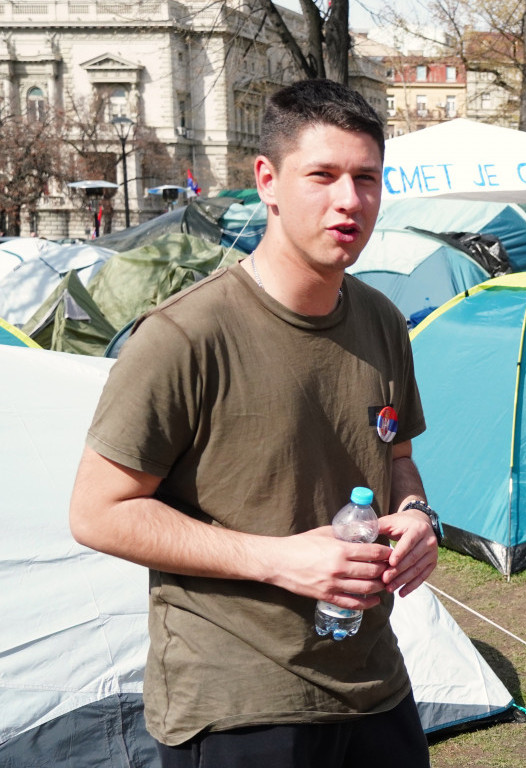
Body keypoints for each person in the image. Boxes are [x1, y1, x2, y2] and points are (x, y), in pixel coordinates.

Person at [68, 79, 439, 767]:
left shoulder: (383, 320)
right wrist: (279, 560)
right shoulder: (185, 335)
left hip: (374, 686)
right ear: (267, 181)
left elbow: (395, 459)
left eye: (366, 179)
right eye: (322, 176)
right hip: (238, 704)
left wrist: (418, 516)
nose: (348, 201)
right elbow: (98, 513)